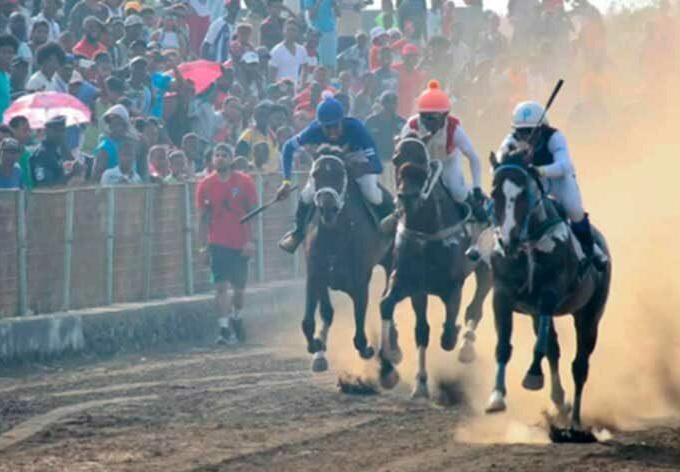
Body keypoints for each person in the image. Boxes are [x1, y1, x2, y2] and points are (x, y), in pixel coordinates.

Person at [497, 101, 607, 270]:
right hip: (531, 182)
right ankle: (492, 246)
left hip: (558, 180)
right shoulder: (510, 141)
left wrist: (539, 170)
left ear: (541, 129)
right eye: (521, 132)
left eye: (530, 131)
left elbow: (565, 165)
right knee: (505, 205)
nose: (525, 136)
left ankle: (591, 250)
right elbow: (498, 166)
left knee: (574, 210)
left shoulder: (555, 137)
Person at [277, 98, 396, 253]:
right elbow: (287, 148)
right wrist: (286, 181)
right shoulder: (313, 129)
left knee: (372, 193)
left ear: (342, 121)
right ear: (320, 125)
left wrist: (360, 169)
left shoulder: (356, 128)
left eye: (335, 126)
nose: (332, 132)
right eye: (327, 128)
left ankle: (391, 224)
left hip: (356, 159)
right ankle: (298, 233)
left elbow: (377, 166)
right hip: (327, 162)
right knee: (307, 195)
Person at [399, 79, 486, 220]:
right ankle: (397, 216)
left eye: (433, 118)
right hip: (421, 166)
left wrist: (477, 188)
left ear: (445, 116)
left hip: (448, 163)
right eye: (424, 117)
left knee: (457, 192)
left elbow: (473, 157)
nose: (427, 123)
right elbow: (401, 158)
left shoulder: (454, 129)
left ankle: (478, 213)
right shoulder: (411, 126)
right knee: (407, 192)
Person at [196, 143, 256, 344]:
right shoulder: (205, 185)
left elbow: (252, 214)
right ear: (212, 160)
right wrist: (203, 247)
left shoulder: (245, 182)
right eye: (217, 155)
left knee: (239, 289)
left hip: (240, 243)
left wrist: (251, 241)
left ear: (231, 159)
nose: (220, 158)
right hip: (217, 243)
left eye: (224, 155)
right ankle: (223, 328)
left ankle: (236, 318)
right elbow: (203, 218)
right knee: (221, 286)